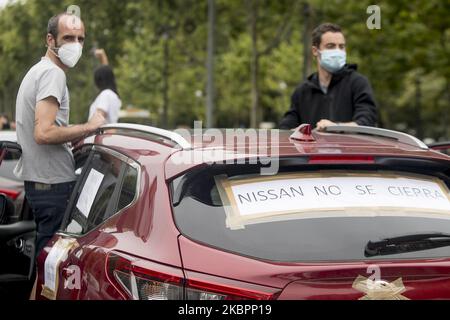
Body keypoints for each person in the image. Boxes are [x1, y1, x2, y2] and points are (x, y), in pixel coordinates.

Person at [14, 12, 105, 256]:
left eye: (80, 39)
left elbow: (47, 129)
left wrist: (69, 134)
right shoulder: (53, 73)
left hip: (41, 186)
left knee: (44, 265)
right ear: (50, 40)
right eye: (68, 37)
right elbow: (43, 133)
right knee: (51, 272)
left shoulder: (37, 71)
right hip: (53, 188)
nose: (75, 45)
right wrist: (89, 127)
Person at [279, 23, 377, 131]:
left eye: (341, 46)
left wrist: (336, 128)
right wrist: (295, 132)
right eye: (331, 46)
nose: (337, 51)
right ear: (315, 51)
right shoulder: (302, 91)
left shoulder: (358, 83)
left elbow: (367, 123)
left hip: (350, 147)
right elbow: (286, 128)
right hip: (313, 148)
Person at [88, 49, 122, 124]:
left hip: (101, 135)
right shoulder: (113, 95)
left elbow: (98, 119)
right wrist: (103, 55)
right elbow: (106, 73)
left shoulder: (106, 94)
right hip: (108, 134)